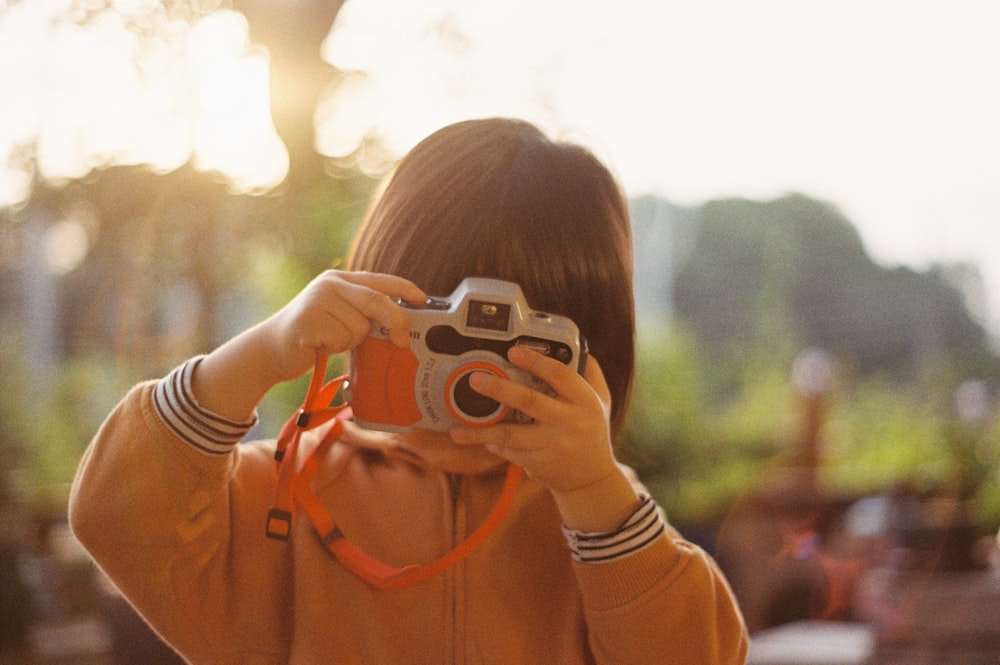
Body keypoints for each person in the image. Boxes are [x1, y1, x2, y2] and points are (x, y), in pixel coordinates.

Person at [70, 118, 748, 664]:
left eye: (513, 339)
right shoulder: (281, 500)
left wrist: (599, 498)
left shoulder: (606, 532)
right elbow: (118, 516)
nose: (470, 376)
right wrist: (259, 353)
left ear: (588, 346)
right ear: (370, 302)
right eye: (439, 330)